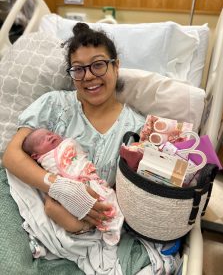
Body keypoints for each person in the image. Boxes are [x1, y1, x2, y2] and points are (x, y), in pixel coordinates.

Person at [3, 22, 145, 234]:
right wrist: (58, 188)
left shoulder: (137, 129)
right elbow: (11, 155)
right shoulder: (53, 104)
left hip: (90, 228)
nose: (88, 76)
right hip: (25, 208)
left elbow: (125, 197)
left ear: (116, 66)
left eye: (98, 65)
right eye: (78, 69)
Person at [22, 127, 124, 244]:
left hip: (89, 180)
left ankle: (111, 221)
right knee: (53, 209)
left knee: (103, 196)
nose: (49, 137)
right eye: (41, 140)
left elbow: (79, 157)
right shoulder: (47, 159)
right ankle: (90, 227)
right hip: (67, 190)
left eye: (50, 133)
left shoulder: (67, 144)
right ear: (35, 156)